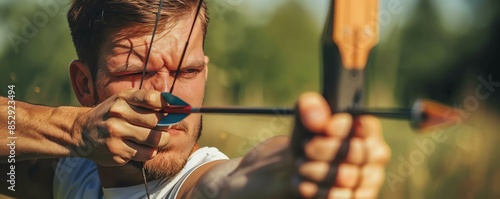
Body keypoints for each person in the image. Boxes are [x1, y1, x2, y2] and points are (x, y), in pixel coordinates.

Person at [0, 0, 390, 198]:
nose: (165, 96)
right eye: (134, 72)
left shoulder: (198, 183)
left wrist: (300, 164)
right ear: (84, 86)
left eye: (187, 72)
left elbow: (236, 182)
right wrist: (75, 130)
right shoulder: (73, 172)